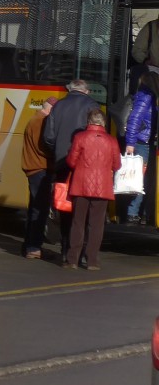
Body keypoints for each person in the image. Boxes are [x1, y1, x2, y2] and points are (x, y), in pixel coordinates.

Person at [42, 78, 100, 262]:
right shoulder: (91, 105)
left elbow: (48, 136)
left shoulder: (58, 106)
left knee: (65, 205)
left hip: (62, 163)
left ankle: (66, 248)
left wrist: (59, 151)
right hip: (84, 165)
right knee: (83, 209)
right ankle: (81, 251)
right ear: (86, 91)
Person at [63, 109, 121, 270]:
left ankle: (72, 259)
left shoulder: (79, 137)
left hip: (80, 185)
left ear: (89, 121)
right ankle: (92, 261)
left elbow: (71, 162)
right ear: (103, 123)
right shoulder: (112, 141)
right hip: (102, 187)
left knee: (78, 222)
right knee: (96, 225)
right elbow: (117, 165)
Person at [20, 95, 57, 259]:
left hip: (35, 169)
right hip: (39, 169)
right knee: (39, 210)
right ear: (50, 109)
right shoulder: (41, 122)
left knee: (35, 208)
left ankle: (29, 245)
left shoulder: (34, 119)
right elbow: (43, 147)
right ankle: (33, 247)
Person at [122, 69, 157, 224]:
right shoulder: (145, 96)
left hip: (147, 142)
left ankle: (140, 212)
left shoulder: (150, 96)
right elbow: (134, 119)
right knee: (138, 179)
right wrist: (130, 143)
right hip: (142, 142)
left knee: (144, 179)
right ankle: (132, 212)